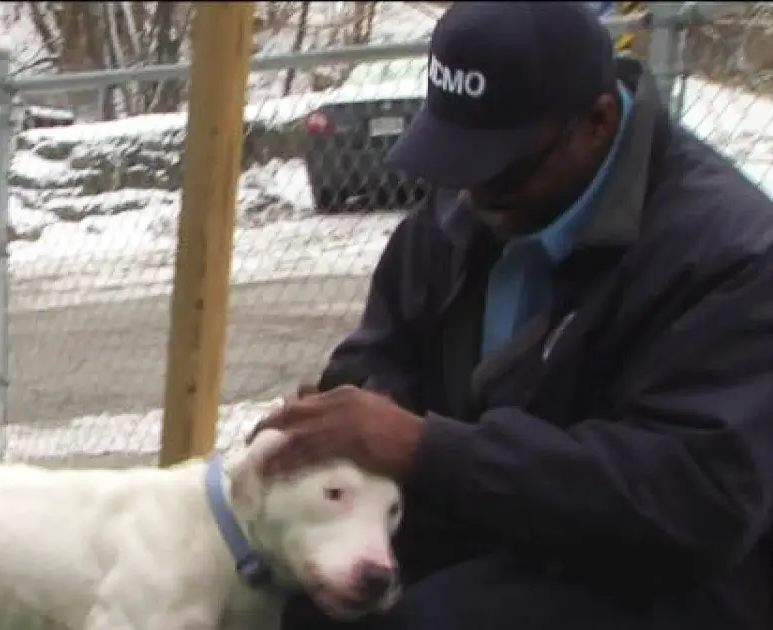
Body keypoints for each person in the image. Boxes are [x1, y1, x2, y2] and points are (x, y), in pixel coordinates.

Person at [256, 2, 773, 629]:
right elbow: (385, 348)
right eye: (454, 161)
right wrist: (353, 408)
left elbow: (695, 500)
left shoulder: (728, 252)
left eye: (498, 168)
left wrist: (426, 447)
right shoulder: (466, 207)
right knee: (293, 603)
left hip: (664, 573)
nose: (472, 194)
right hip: (493, 522)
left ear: (596, 122)